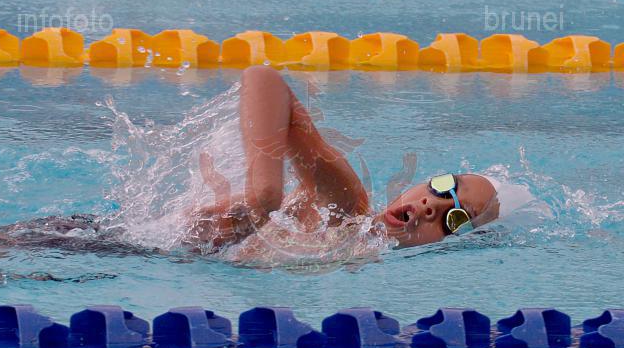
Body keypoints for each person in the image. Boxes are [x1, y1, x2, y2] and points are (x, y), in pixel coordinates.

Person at [183, 66, 499, 254]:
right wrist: (263, 194)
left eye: (455, 218)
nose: (432, 206)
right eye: (443, 187)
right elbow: (264, 80)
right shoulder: (346, 206)